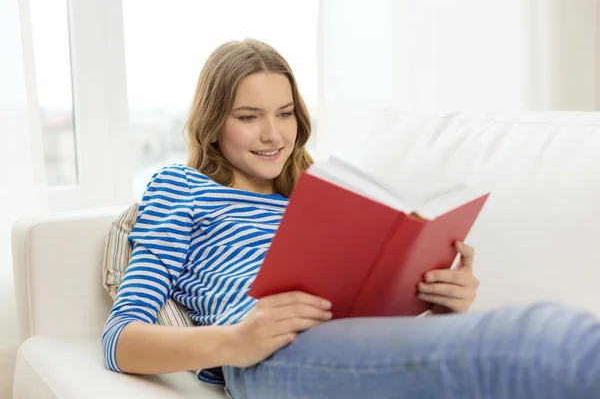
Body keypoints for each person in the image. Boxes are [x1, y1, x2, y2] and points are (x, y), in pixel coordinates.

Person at [102, 39, 600, 399]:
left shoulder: (317, 196)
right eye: (248, 116)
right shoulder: (180, 187)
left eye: (285, 113)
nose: (274, 134)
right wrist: (235, 342)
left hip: (347, 342)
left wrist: (441, 299)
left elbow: (364, 310)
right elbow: (120, 339)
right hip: (267, 357)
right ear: (213, 125)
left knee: (532, 343)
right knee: (538, 342)